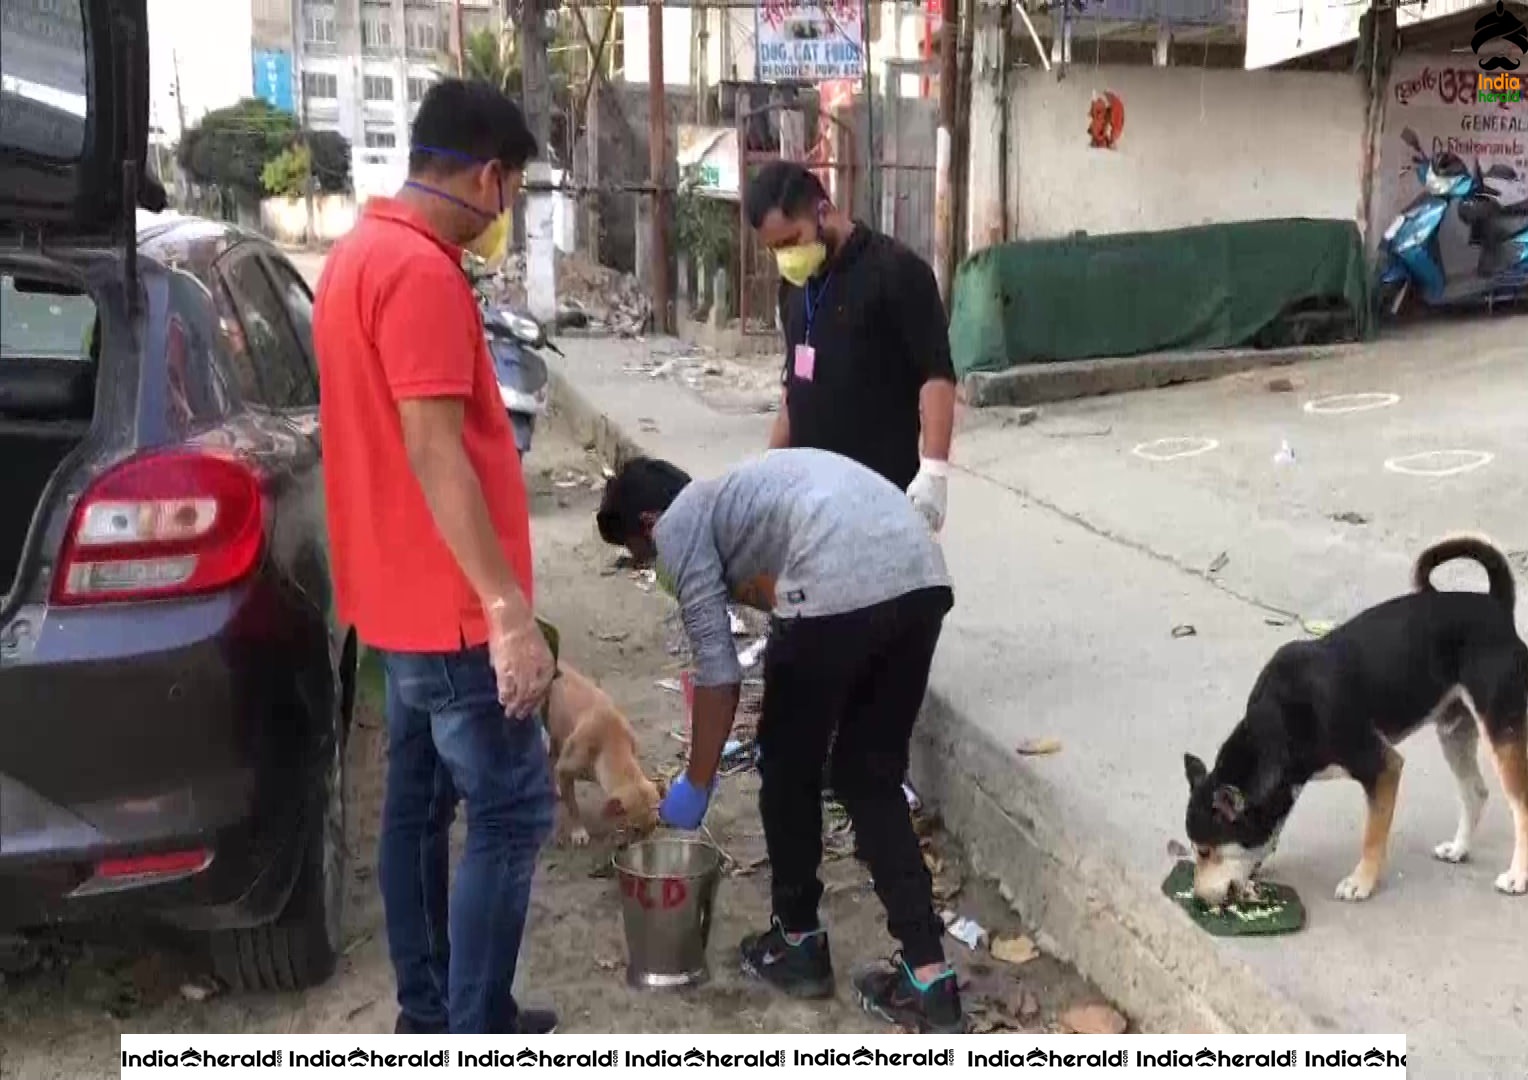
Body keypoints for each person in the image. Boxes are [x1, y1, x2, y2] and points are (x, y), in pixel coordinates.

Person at [313, 79, 557, 1036]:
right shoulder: (418, 273)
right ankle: (473, 1034)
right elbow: (430, 447)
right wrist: (505, 611)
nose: (504, 216)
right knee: (509, 813)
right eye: (511, 194)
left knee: (415, 813)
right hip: (452, 612)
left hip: (394, 601)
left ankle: (437, 1013)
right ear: (489, 176)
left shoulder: (355, 257)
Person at [595, 450, 964, 1034]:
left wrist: (697, 781)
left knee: (787, 764)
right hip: (921, 576)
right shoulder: (739, 495)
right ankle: (930, 978)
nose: (653, 567)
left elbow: (719, 674)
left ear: (648, 524)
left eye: (643, 557)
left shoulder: (680, 524)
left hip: (841, 577)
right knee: (869, 776)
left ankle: (797, 942)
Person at [745, 160, 958, 532]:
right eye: (775, 249)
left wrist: (934, 471)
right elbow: (793, 392)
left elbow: (936, 374)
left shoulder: (897, 273)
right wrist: (768, 470)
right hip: (811, 500)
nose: (785, 257)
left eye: (791, 241)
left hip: (880, 498)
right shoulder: (793, 289)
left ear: (822, 211)